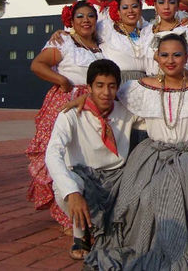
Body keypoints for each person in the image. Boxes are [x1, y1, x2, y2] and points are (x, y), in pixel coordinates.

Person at [84, 34, 188, 270]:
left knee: (175, 192)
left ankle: (187, 246)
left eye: (177, 55)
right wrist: (83, 99)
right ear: (156, 57)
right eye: (164, 55)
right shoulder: (138, 88)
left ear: (186, 58)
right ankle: (151, 246)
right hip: (152, 155)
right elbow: (104, 96)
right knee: (144, 198)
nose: (170, 60)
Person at [45, 59, 142, 259]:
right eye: (99, 85)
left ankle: (101, 227)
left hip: (117, 177)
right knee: (66, 187)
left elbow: (156, 120)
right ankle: (80, 233)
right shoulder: (70, 115)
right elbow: (52, 153)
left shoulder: (126, 112)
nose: (106, 93)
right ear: (88, 87)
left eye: (111, 86)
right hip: (84, 175)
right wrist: (72, 193)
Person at [26, 1, 104, 232]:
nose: (86, 20)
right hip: (67, 101)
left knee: (83, 154)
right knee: (60, 153)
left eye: (90, 16)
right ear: (72, 20)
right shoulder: (65, 41)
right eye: (80, 16)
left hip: (92, 102)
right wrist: (61, 80)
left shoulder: (100, 46)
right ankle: (66, 216)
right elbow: (37, 65)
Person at [99, 0, 148, 82]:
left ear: (140, 10)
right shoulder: (106, 29)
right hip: (117, 82)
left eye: (134, 6)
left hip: (144, 82)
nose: (130, 11)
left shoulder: (147, 31)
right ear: (118, 12)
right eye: (125, 7)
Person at [141, 0, 188, 75]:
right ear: (155, 5)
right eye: (161, 2)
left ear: (178, 5)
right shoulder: (146, 31)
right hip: (150, 82)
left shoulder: (185, 31)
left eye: (171, 2)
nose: (166, 7)